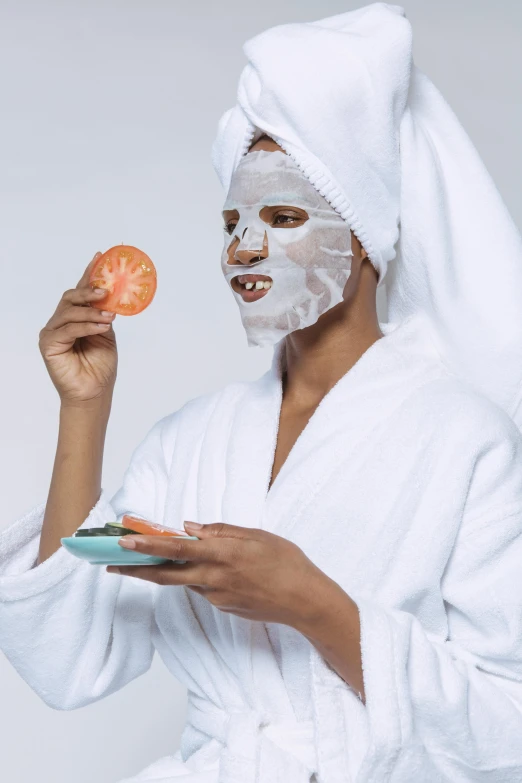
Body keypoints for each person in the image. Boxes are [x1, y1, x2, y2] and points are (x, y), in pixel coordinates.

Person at [2, 4, 522, 782]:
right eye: (232, 220)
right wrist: (86, 407)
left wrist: (313, 601)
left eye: (281, 216)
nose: (244, 247)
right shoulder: (192, 439)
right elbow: (65, 663)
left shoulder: (464, 436)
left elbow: (507, 725)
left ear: (367, 236)